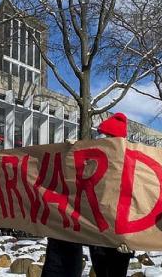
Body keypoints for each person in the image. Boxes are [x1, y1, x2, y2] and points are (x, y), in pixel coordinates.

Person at [43, 113, 134, 277]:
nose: (98, 139)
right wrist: (68, 155)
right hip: (93, 231)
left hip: (117, 236)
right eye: (98, 134)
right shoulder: (91, 161)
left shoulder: (130, 165)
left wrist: (132, 238)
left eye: (104, 135)